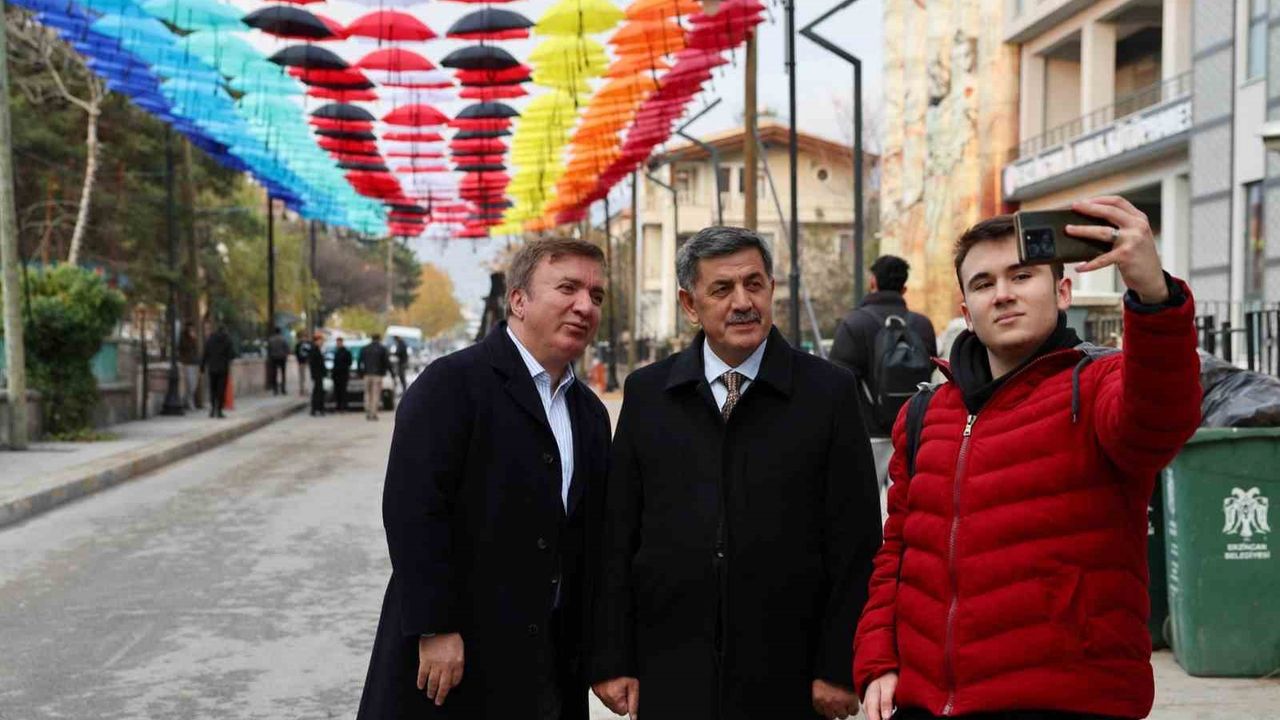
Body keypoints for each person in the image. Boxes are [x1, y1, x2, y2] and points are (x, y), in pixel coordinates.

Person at [854, 197, 1202, 720]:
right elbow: (899, 550)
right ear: (966, 312)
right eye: (983, 283)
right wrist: (878, 655)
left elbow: (1160, 421)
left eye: (1021, 276)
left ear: (1062, 292)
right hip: (927, 703)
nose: (1003, 294)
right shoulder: (924, 414)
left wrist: (1154, 297)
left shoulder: (1100, 385)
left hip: (1069, 699)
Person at [592, 227, 882, 720]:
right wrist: (612, 658)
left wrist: (839, 665)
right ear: (690, 304)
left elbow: (856, 541)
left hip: (789, 673)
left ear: (772, 289)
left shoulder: (828, 392)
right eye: (722, 289)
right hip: (672, 669)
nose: (743, 303)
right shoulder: (648, 394)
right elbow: (618, 534)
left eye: (754, 284)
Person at [357, 237, 612, 720]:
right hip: (453, 664)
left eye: (596, 295)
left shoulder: (590, 415)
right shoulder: (452, 384)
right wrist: (435, 626)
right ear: (518, 300)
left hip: (546, 669)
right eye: (568, 288)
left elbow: (591, 541)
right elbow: (413, 512)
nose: (585, 306)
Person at [200, 325, 235, 419]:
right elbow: (232, 355)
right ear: (224, 331)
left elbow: (205, 353)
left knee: (213, 389)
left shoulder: (210, 340)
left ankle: (212, 409)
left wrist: (202, 367)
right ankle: (219, 410)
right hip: (223, 369)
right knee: (221, 390)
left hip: (212, 368)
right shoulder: (227, 340)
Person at [359, 334, 392, 421]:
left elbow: (360, 361)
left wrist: (361, 373)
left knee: (367, 393)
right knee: (375, 394)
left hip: (367, 374)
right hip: (377, 375)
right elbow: (386, 362)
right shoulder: (382, 349)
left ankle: (367, 410)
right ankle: (373, 413)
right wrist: (390, 372)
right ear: (379, 339)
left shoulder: (365, 348)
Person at [178, 325, 201, 410]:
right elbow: (183, 348)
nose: (192, 331)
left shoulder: (194, 339)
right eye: (190, 330)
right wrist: (192, 339)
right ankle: (188, 401)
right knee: (190, 383)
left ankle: (187, 400)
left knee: (194, 383)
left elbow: (196, 350)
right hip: (187, 363)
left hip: (195, 363)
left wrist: (194, 340)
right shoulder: (183, 339)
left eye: (193, 330)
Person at [308, 332, 327, 417]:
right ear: (317, 341)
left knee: (319, 391)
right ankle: (316, 408)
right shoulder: (314, 350)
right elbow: (315, 363)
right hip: (317, 374)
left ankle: (318, 408)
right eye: (321, 340)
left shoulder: (318, 349)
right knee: (317, 392)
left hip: (319, 374)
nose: (322, 342)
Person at [333, 337, 353, 413]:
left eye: (339, 342)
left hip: (343, 374)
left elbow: (349, 362)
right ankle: (338, 406)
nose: (338, 344)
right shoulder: (336, 351)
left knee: (343, 391)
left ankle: (343, 407)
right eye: (337, 343)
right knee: (337, 391)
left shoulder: (346, 352)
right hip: (336, 375)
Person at [267, 326, 290, 395]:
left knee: (274, 374)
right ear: (280, 332)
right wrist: (285, 355)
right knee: (283, 373)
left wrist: (270, 356)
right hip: (282, 358)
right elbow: (287, 348)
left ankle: (275, 389)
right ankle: (283, 389)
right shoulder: (283, 339)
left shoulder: (271, 340)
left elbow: (269, 349)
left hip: (273, 358)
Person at [295, 332, 313, 397]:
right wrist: (299, 361)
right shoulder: (299, 344)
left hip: (308, 362)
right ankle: (302, 389)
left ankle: (307, 389)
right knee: (302, 377)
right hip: (301, 362)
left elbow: (312, 352)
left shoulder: (310, 344)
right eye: (303, 337)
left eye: (305, 337)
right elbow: (296, 353)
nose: (304, 338)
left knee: (307, 376)